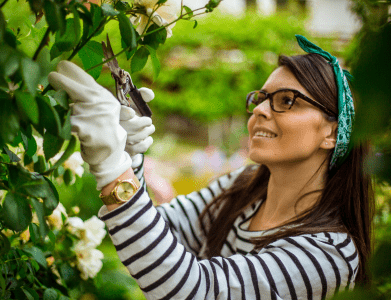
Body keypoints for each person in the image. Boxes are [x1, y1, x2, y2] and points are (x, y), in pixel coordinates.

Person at [48, 35, 373, 299]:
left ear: (332, 131)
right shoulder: (244, 187)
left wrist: (112, 168)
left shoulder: (328, 257)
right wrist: (130, 158)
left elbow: (197, 291)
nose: (259, 109)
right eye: (260, 97)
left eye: (286, 100)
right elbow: (161, 230)